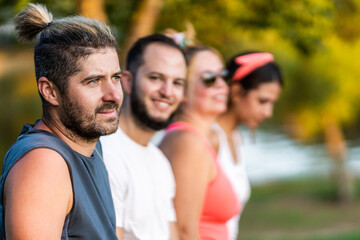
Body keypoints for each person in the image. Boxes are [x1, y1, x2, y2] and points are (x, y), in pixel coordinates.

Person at [0, 3, 122, 239]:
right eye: (94, 81)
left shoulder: (90, 146)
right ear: (50, 91)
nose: (113, 94)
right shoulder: (43, 164)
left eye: (115, 77)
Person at [100, 34, 187, 240]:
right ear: (127, 82)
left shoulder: (159, 162)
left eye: (177, 83)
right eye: (155, 78)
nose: (167, 91)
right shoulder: (107, 152)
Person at [159, 44, 240, 240]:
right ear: (182, 90)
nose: (222, 84)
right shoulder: (187, 142)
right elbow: (184, 232)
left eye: (224, 76)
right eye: (210, 78)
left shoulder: (199, 139)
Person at [213, 51, 283, 239]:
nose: (268, 112)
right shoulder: (210, 138)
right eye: (262, 101)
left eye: (272, 103)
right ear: (236, 92)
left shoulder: (236, 138)